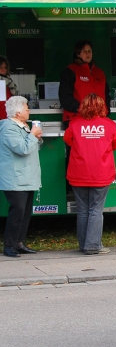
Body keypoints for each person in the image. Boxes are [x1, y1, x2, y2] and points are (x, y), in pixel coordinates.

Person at [63, 93, 116, 255]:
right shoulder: (109, 125)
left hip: (78, 172)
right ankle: (93, 245)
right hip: (101, 173)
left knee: (82, 209)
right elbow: (114, 144)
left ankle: (84, 244)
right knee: (96, 209)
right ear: (102, 107)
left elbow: (68, 141)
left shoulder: (74, 124)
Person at [0, 96, 42, 257]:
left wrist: (36, 138)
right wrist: (32, 135)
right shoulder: (8, 128)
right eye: (26, 108)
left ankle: (19, 243)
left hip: (27, 178)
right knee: (17, 212)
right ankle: (9, 245)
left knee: (25, 213)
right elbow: (22, 149)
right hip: (15, 179)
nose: (28, 110)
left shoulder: (22, 126)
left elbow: (32, 147)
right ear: (17, 112)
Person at [59, 40, 110, 125]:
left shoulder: (100, 72)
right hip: (76, 119)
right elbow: (65, 97)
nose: (88, 54)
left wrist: (105, 110)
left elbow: (107, 94)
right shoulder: (70, 71)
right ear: (78, 54)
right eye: (84, 51)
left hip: (98, 119)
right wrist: (84, 109)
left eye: (89, 51)